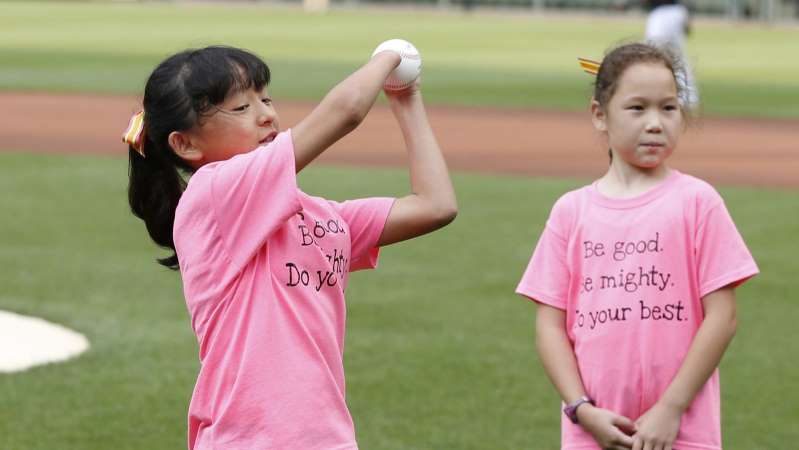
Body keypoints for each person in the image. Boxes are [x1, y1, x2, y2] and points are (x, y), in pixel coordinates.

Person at [123, 45, 457, 450]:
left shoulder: (318, 216)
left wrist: (406, 99)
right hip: (247, 441)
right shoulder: (212, 195)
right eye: (241, 108)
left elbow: (435, 205)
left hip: (326, 438)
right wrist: (387, 58)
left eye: (265, 98)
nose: (266, 114)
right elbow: (345, 112)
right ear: (187, 145)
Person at [516, 42, 758, 450]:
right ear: (599, 115)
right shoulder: (570, 212)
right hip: (593, 431)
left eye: (668, 107)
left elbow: (722, 317)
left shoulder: (698, 202)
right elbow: (549, 325)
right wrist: (580, 409)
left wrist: (671, 409)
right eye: (637, 108)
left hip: (680, 432)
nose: (655, 123)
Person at [644, 0, 699, 108]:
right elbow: (687, 31)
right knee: (677, 58)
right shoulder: (680, 10)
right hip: (677, 12)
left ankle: (651, 92)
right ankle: (689, 98)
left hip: (663, 14)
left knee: (652, 55)